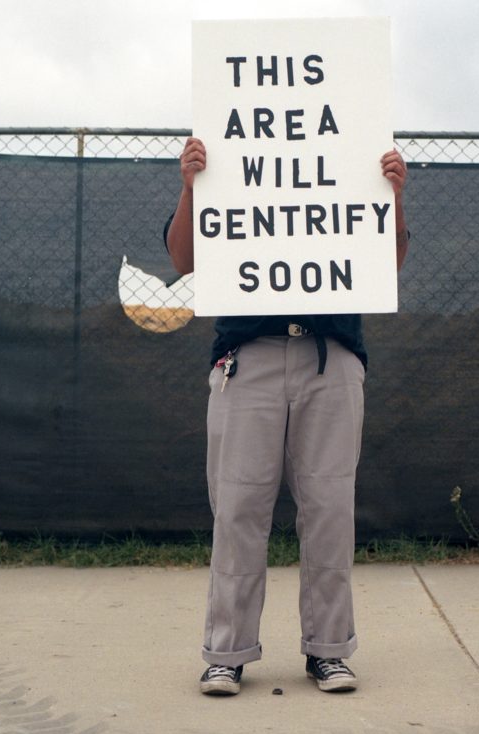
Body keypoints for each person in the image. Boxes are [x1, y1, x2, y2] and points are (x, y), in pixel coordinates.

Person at [165, 136, 408, 696]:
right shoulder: (226, 157)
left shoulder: (351, 150)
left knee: (329, 508)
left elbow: (385, 264)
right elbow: (183, 259)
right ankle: (226, 652)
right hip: (247, 358)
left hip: (333, 356)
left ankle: (328, 650)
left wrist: (392, 193)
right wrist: (190, 185)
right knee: (238, 507)